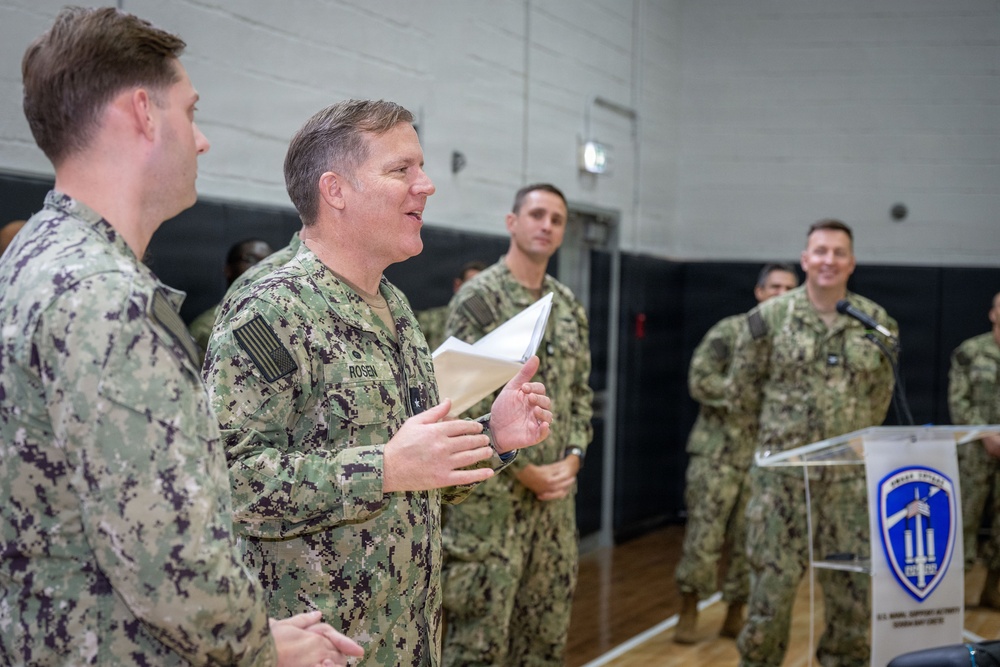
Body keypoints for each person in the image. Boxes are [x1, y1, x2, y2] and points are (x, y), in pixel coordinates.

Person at [0, 7, 362, 665]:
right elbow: (166, 555)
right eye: (190, 113)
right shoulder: (109, 297)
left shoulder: (29, 259)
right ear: (143, 113)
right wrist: (258, 643)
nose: (201, 141)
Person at [203, 100, 553, 667]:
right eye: (402, 170)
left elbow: (417, 469)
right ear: (335, 190)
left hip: (408, 637)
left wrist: (495, 436)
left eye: (422, 168)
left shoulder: (394, 305)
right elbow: (228, 482)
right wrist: (383, 468)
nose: (427, 185)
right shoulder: (270, 308)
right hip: (323, 644)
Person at [728, 219, 897, 667]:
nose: (829, 260)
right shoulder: (768, 319)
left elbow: (881, 396)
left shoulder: (875, 323)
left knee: (852, 598)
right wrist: (762, 461)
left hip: (848, 488)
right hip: (781, 484)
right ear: (805, 259)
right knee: (770, 596)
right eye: (820, 251)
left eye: (839, 252)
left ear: (852, 262)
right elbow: (742, 397)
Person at [440, 183, 594, 666]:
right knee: (479, 646)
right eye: (537, 215)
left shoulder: (567, 305)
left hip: (554, 510)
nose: (547, 225)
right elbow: (455, 400)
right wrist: (524, 470)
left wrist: (572, 459)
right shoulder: (479, 300)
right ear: (512, 223)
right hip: (491, 508)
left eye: (557, 219)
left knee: (544, 639)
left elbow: (581, 396)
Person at [674, 263, 799, 644]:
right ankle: (689, 606)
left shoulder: (797, 342)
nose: (780, 294)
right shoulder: (732, 331)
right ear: (760, 292)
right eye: (773, 286)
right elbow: (700, 378)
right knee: (704, 535)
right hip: (717, 452)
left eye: (788, 288)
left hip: (765, 457)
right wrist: (742, 394)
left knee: (752, 540)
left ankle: (735, 610)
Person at [948, 290, 1000, 608]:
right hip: (974, 455)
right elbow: (958, 400)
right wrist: (986, 434)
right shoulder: (970, 352)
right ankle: (951, 595)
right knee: (963, 521)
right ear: (992, 313)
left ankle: (994, 593)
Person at [188, 237, 274, 362]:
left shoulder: (282, 319)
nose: (261, 268)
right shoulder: (206, 329)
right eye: (251, 260)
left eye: (269, 262)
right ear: (228, 269)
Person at [416, 260, 486, 351]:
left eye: (480, 287)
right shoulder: (431, 319)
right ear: (458, 285)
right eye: (470, 286)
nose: (475, 292)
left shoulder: (493, 324)